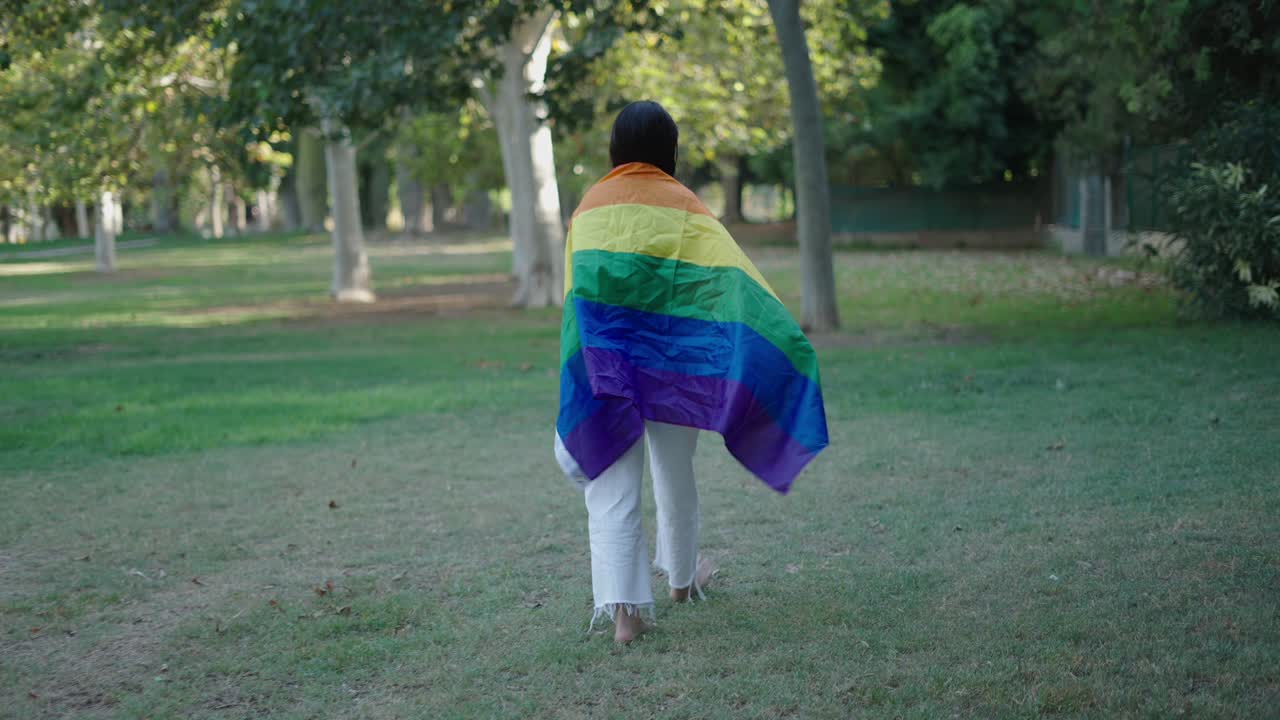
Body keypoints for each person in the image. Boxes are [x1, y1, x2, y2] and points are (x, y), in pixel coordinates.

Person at [555, 101, 828, 644]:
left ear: (615, 148)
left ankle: (625, 617)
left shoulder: (591, 207)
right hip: (674, 369)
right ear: (670, 151)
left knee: (612, 480)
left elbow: (580, 299)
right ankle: (681, 581)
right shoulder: (686, 205)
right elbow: (726, 281)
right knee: (675, 471)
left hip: (606, 366)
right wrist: (781, 338)